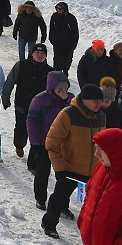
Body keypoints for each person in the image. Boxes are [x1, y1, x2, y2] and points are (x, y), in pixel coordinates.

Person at [42, 84, 106, 238]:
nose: (97, 103)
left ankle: (92, 231)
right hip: (70, 168)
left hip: (93, 169)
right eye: (93, 100)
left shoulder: (101, 116)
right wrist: (59, 169)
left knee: (95, 204)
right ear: (83, 100)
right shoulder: (68, 114)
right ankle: (49, 223)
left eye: (99, 100)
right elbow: (52, 143)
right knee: (59, 197)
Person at [27, 72, 71, 211]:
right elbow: (31, 121)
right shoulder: (40, 100)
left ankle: (63, 204)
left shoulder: (70, 100)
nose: (63, 92)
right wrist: (35, 144)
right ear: (52, 87)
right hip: (43, 143)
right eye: (60, 89)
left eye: (66, 89)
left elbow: (75, 114)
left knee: (64, 176)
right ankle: (40, 198)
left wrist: (66, 101)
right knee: (43, 172)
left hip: (63, 144)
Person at [3, 43, 52, 158]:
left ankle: (34, 156)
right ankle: (19, 145)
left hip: (40, 108)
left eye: (42, 53)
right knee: (21, 127)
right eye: (37, 53)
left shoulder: (50, 72)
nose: (39, 55)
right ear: (32, 54)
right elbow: (10, 82)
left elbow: (56, 91)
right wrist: (6, 98)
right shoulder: (21, 66)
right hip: (22, 104)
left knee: (38, 132)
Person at [48, 2, 80, 75]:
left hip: (68, 44)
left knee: (67, 59)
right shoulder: (54, 16)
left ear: (65, 9)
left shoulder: (71, 18)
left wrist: (73, 45)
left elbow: (75, 33)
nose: (58, 10)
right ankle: (56, 74)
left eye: (60, 9)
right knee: (57, 59)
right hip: (57, 43)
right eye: (57, 9)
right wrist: (52, 39)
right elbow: (51, 28)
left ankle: (65, 73)